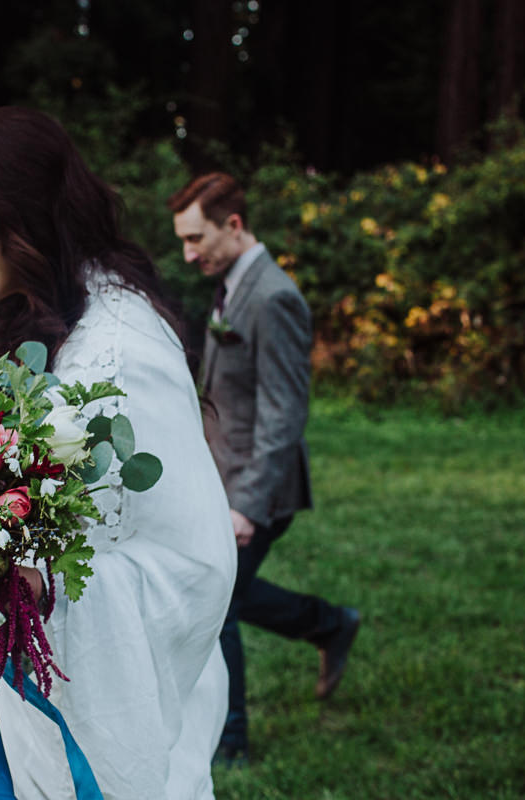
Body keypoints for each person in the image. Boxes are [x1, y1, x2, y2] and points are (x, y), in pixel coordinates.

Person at [0, 108, 237, 799]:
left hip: (91, 705)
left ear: (17, 213)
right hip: (24, 688)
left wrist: (22, 581)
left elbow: (192, 560)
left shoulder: (121, 349)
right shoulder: (62, 318)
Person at [167, 172, 361, 766]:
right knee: (232, 592)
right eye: (182, 240)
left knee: (216, 603)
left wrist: (246, 505)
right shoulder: (232, 282)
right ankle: (329, 625)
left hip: (259, 488)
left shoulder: (274, 296)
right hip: (224, 477)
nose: (188, 252)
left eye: (196, 237)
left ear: (233, 224)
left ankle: (230, 741)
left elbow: (284, 414)